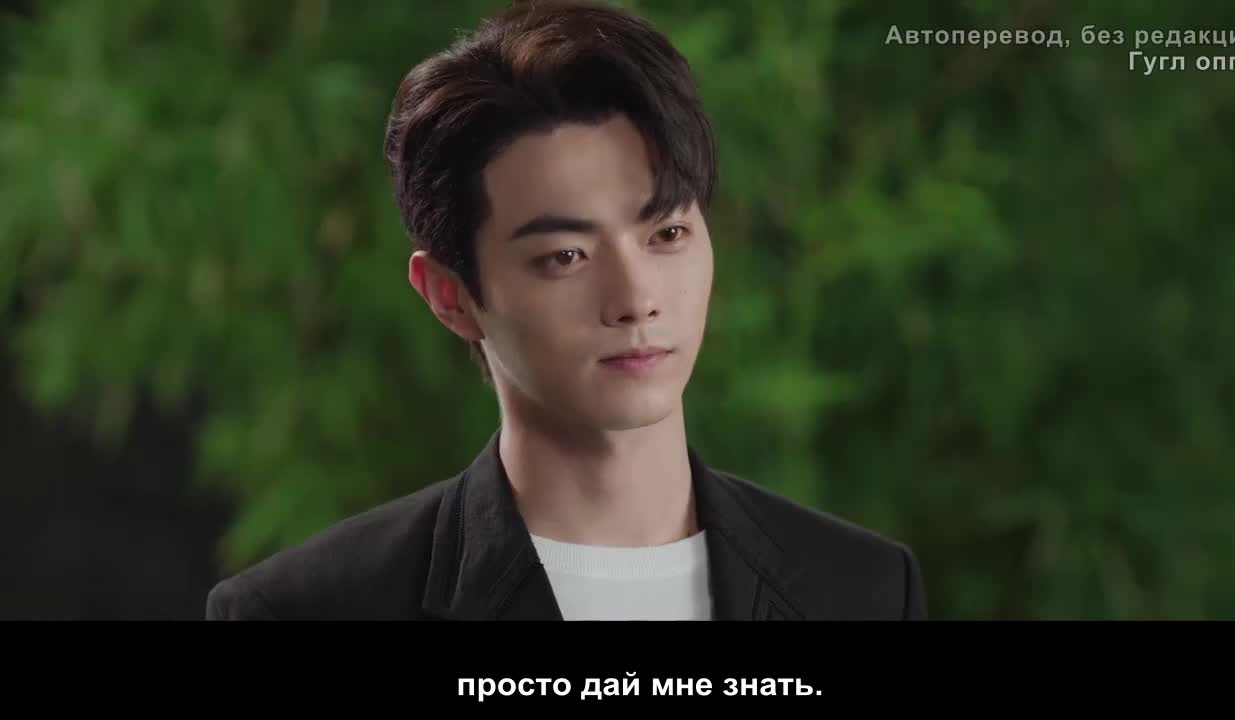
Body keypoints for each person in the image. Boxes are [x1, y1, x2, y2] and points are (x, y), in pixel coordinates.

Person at [205, 0, 926, 621]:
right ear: (451, 296)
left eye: (667, 235)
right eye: (565, 256)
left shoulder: (862, 589)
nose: (636, 300)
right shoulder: (308, 608)